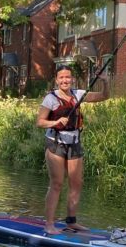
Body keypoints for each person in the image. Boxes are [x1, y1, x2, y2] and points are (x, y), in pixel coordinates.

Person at [36, 65, 109, 235]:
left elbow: (105, 96)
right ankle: (49, 224)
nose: (65, 80)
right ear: (56, 80)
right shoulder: (50, 99)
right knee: (57, 184)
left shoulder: (78, 95)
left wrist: (105, 81)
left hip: (74, 143)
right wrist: (54, 122)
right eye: (61, 78)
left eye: (67, 77)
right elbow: (39, 122)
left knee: (76, 183)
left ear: (72, 79)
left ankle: (71, 222)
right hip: (56, 144)